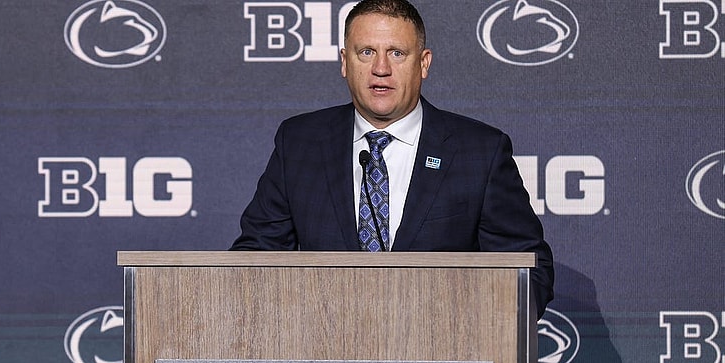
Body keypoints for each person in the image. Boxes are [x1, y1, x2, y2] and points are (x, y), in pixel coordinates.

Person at [231, 0, 554, 316]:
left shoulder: (479, 150)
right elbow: (256, 257)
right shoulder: (301, 141)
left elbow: (527, 269)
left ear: (423, 63)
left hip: (442, 353)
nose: (381, 69)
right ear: (345, 62)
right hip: (323, 351)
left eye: (397, 53)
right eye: (366, 52)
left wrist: (474, 328)